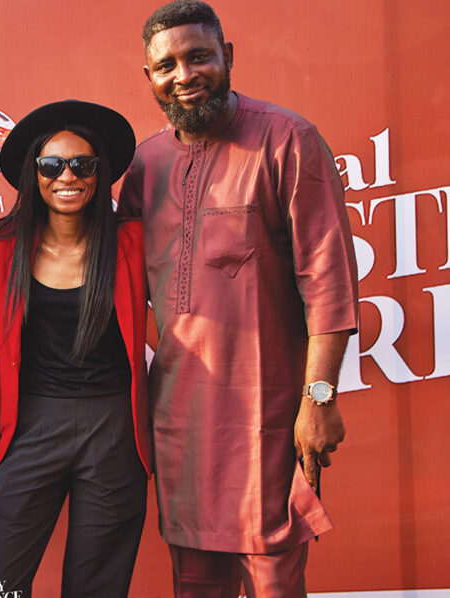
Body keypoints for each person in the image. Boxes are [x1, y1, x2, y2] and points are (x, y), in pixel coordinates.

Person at [119, 1, 360, 596]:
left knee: (274, 580)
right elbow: (124, 288)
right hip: (180, 422)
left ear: (226, 56)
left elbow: (329, 282)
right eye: (166, 65)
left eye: (198, 56)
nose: (184, 75)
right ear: (149, 77)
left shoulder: (288, 140)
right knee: (195, 582)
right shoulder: (145, 165)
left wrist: (319, 399)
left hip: (268, 420)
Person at [0, 100, 152, 597]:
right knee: (1, 586)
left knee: (97, 587)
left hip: (113, 429)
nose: (67, 176)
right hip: (31, 424)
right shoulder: (1, 247)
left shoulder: (134, 242)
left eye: (82, 165)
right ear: (34, 174)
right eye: (52, 165)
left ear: (100, 173)